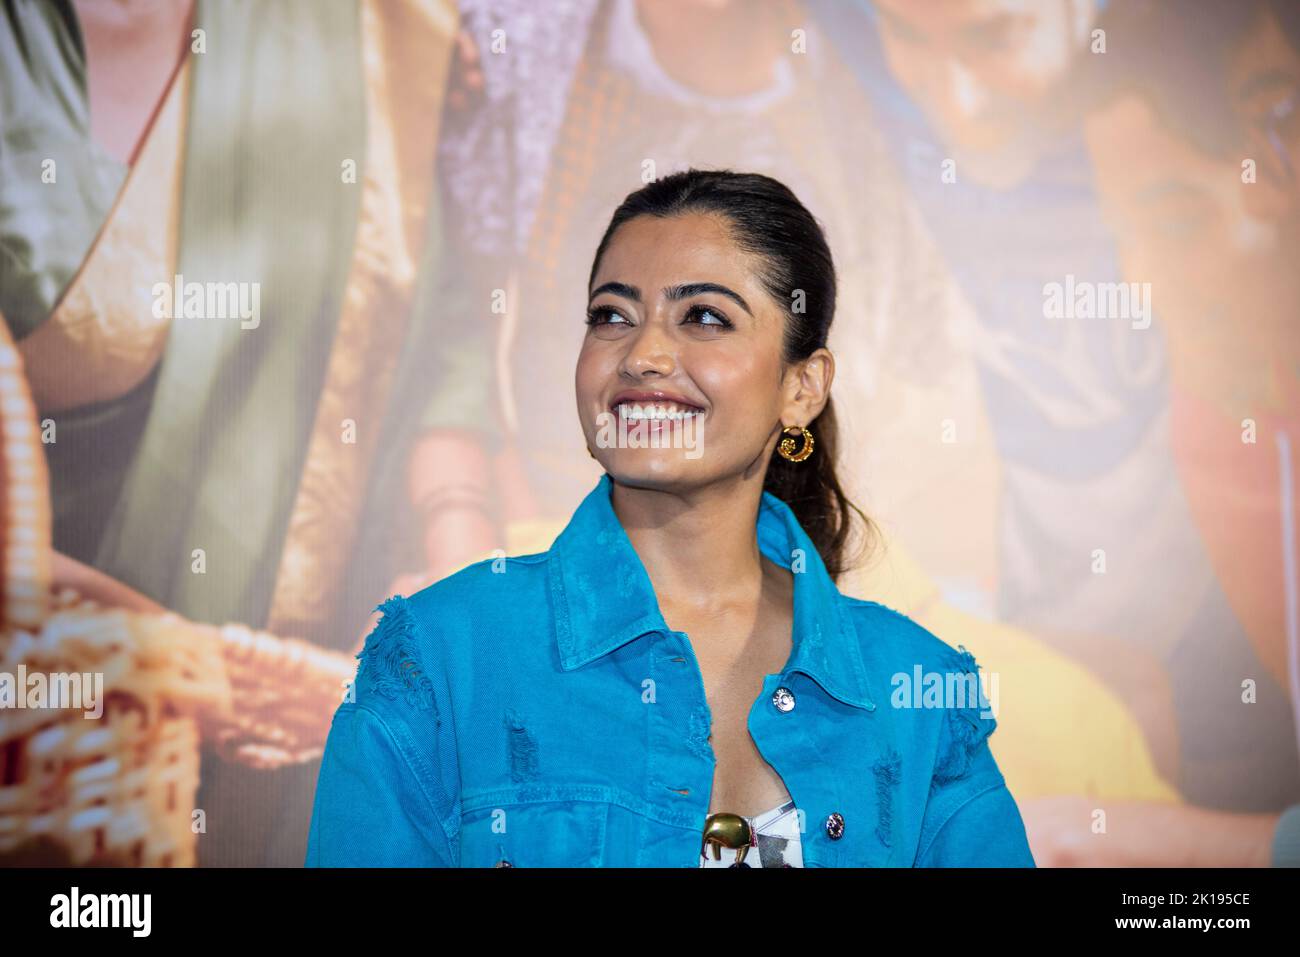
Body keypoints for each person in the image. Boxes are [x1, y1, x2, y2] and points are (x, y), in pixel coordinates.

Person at [305, 169, 1036, 867]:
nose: (644, 354)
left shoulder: (915, 688)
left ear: (802, 388)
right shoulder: (439, 657)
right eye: (611, 315)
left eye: (706, 317)